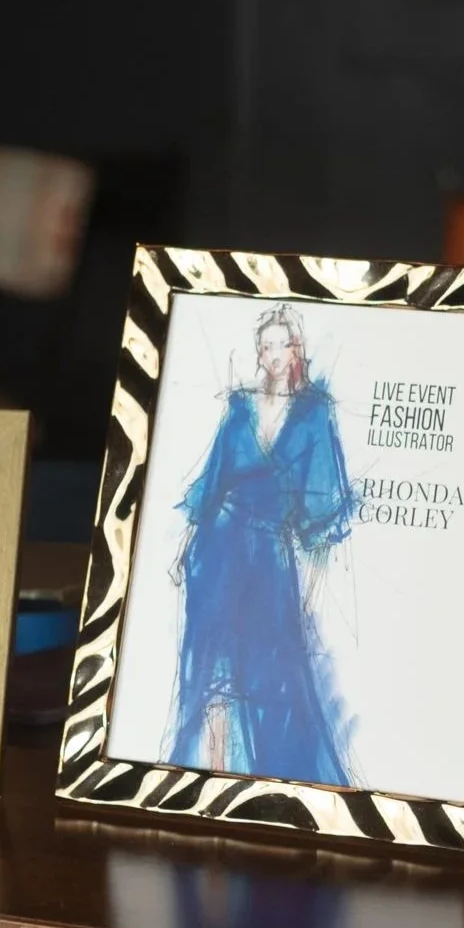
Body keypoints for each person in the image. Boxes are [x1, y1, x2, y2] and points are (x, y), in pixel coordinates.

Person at [164, 304, 359, 784]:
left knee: (270, 677)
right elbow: (212, 481)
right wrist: (183, 547)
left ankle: (263, 786)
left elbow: (322, 506)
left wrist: (309, 587)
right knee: (213, 673)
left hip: (271, 559)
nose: (272, 354)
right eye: (265, 346)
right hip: (217, 550)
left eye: (281, 345)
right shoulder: (239, 407)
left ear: (296, 350)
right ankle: (212, 779)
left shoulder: (315, 413)